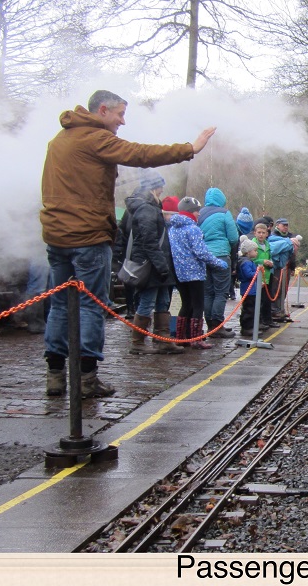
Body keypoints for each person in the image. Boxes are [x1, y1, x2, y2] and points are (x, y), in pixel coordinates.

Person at [40, 89, 216, 398]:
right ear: (103, 110)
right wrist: (191, 148)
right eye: (120, 114)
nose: (123, 121)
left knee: (58, 305)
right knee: (92, 306)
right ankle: (88, 378)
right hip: (87, 237)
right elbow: (140, 154)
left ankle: (54, 376)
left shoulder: (59, 141)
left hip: (56, 234)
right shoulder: (95, 138)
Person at [114, 170, 184, 355]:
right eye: (160, 186)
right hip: (151, 264)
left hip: (157, 263)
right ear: (153, 187)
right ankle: (137, 342)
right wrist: (162, 266)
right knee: (147, 302)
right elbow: (148, 241)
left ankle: (162, 340)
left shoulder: (150, 206)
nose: (162, 190)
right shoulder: (146, 208)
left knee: (163, 301)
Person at [168, 196, 228, 349]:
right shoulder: (193, 229)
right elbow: (201, 252)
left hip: (179, 272)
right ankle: (196, 338)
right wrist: (219, 263)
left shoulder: (173, 229)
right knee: (198, 305)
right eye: (196, 211)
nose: (199, 214)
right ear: (190, 212)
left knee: (186, 304)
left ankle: (181, 338)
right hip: (194, 272)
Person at [197, 187, 239, 338]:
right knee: (221, 292)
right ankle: (217, 325)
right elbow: (234, 238)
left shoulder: (200, 214)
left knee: (208, 293)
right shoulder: (224, 213)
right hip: (221, 256)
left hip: (204, 257)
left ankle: (210, 326)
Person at [269, 218, 296, 320]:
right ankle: (274, 310)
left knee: (284, 289)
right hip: (277, 266)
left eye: (287, 225)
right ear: (278, 225)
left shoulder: (290, 236)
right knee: (276, 289)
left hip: (287, 266)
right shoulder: (273, 237)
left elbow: (293, 254)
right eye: (283, 225)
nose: (285, 227)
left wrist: (293, 267)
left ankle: (280, 308)